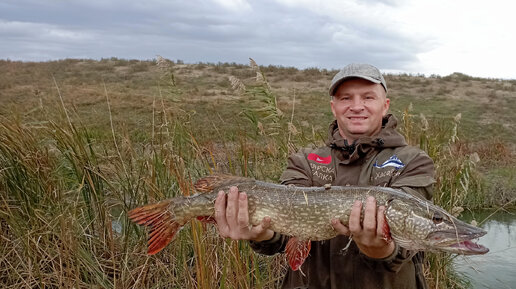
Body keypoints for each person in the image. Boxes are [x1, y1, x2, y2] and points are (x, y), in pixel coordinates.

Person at [214, 63, 435, 289]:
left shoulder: (413, 161)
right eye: (346, 98)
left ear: (385, 105)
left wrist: (380, 249)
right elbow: (281, 234)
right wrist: (260, 235)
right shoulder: (305, 161)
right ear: (334, 107)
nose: (357, 106)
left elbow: (411, 235)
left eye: (368, 97)